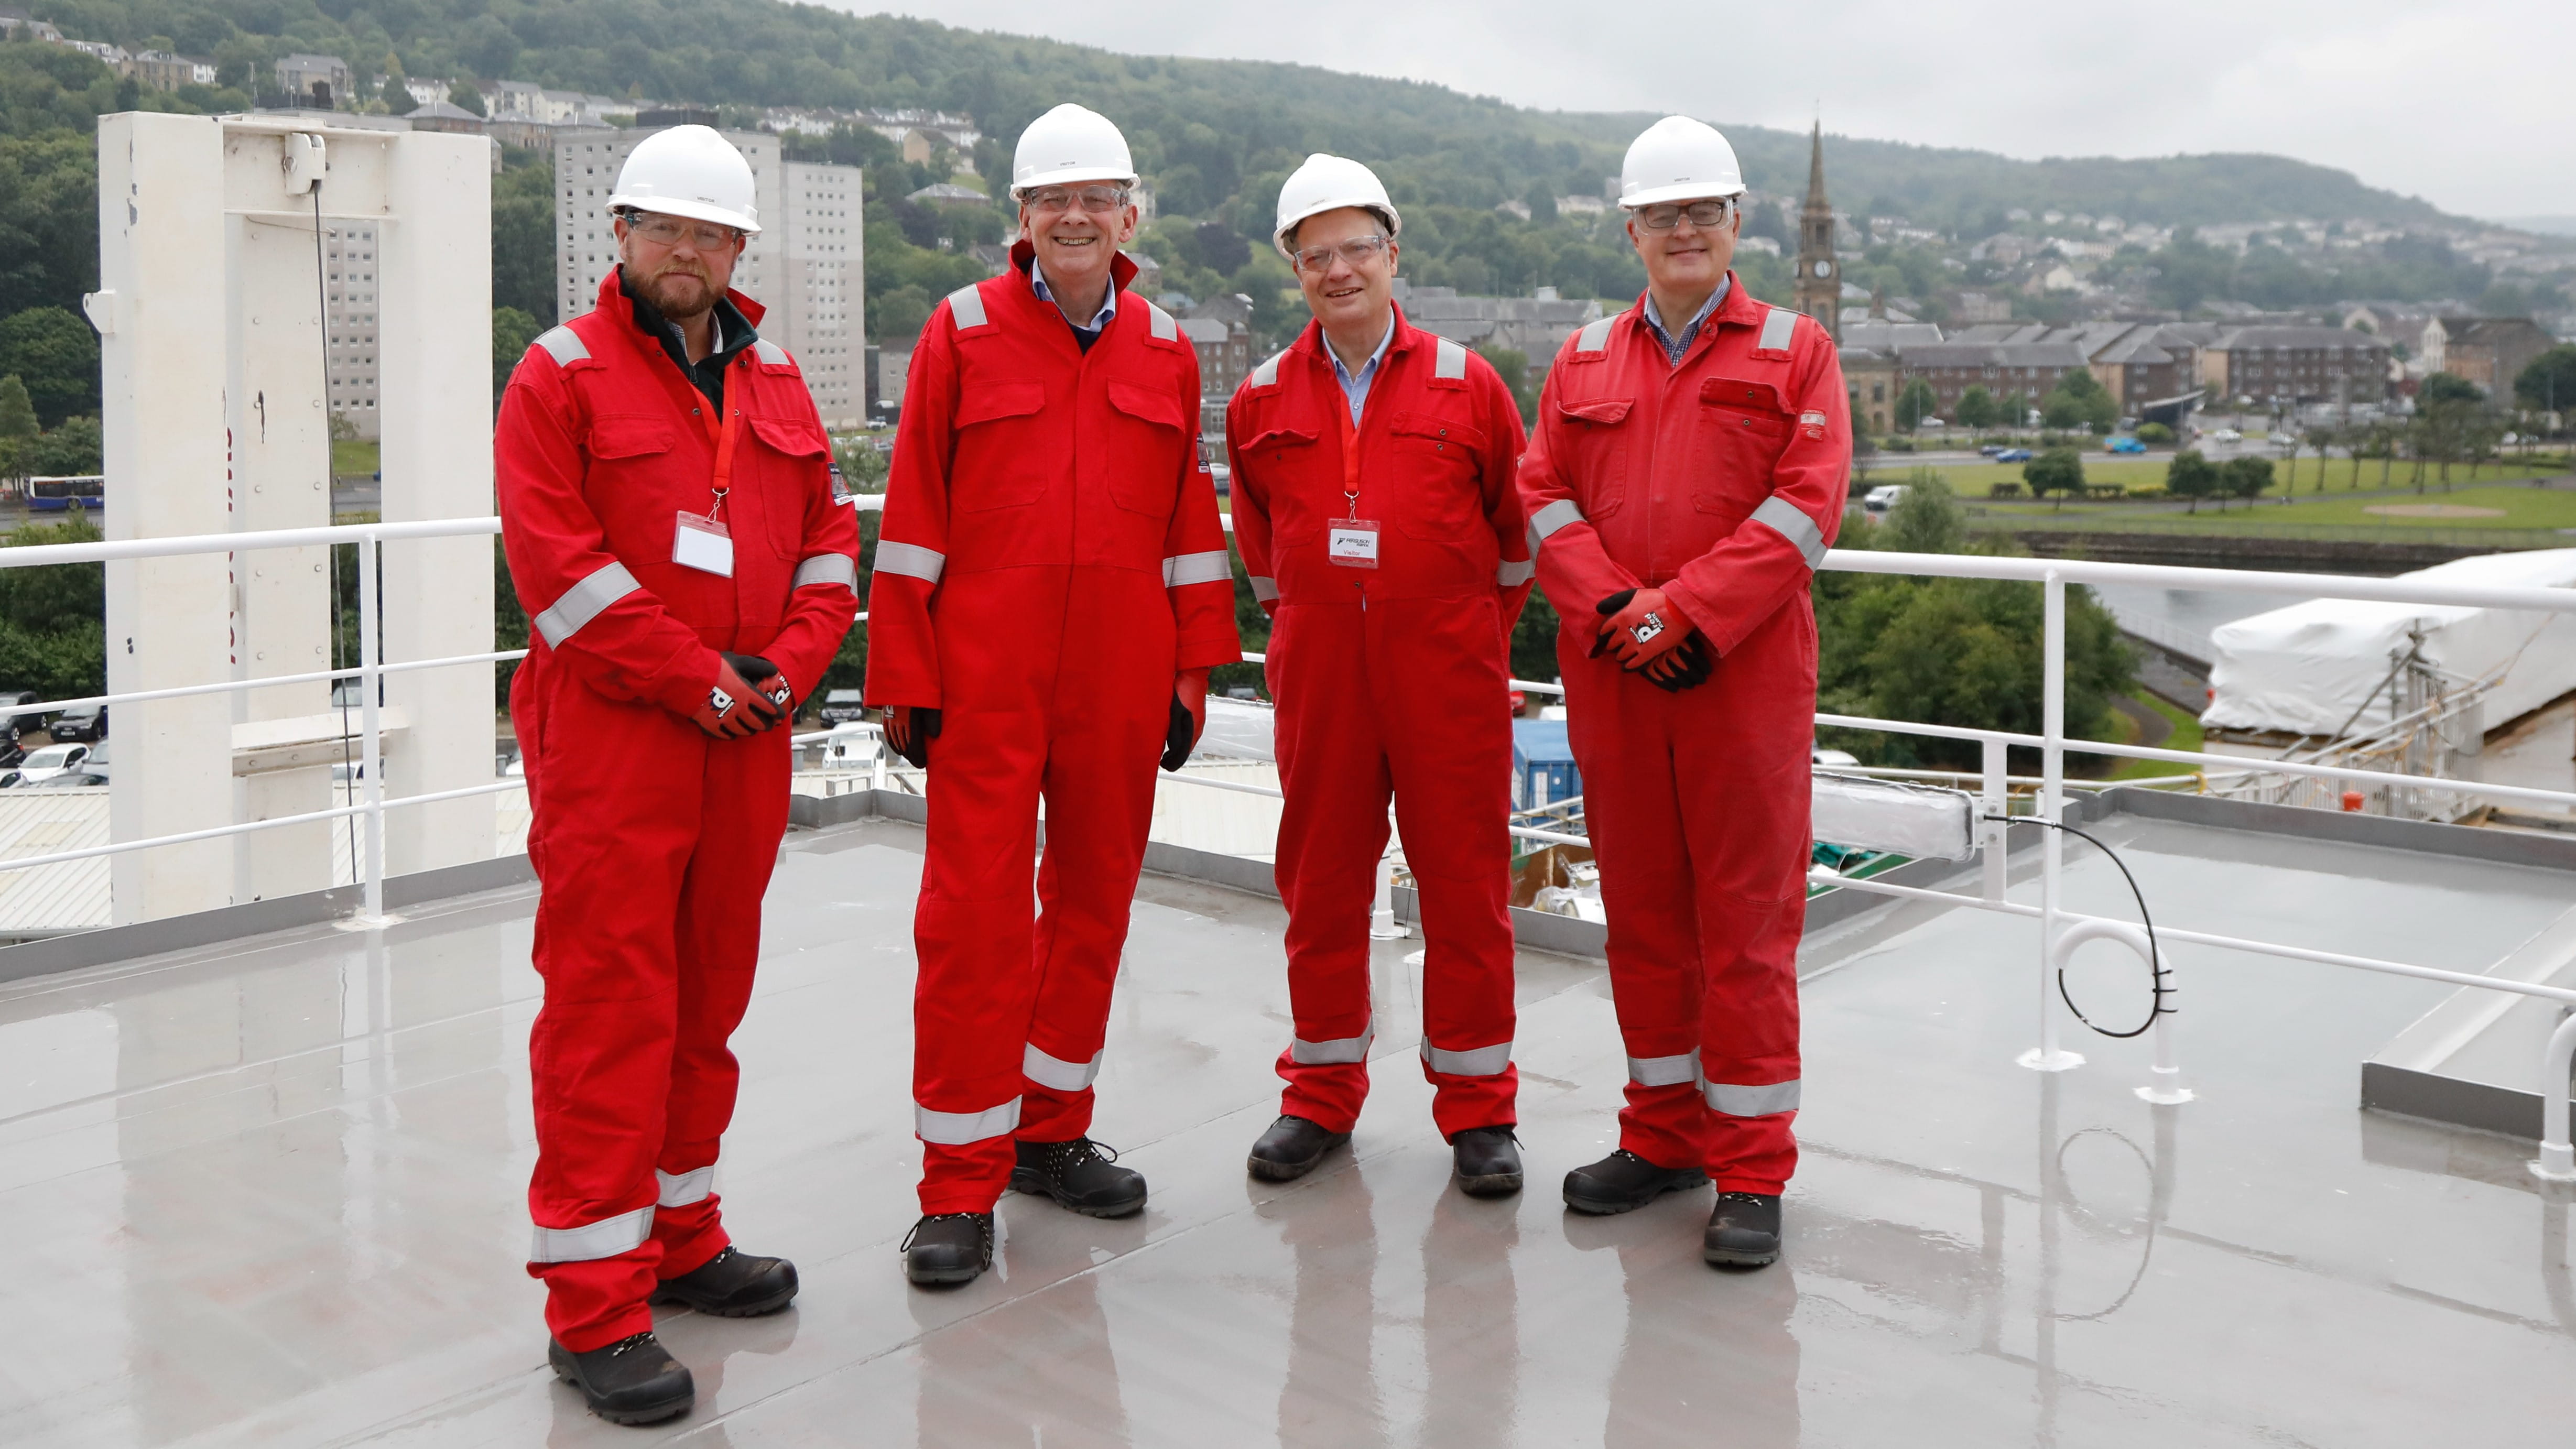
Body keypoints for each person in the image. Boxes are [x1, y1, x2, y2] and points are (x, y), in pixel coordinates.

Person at [495, 124, 861, 1424]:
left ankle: (682, 1237)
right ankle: (594, 1309)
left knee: (707, 997)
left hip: (743, 735)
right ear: (622, 234)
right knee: (610, 1010)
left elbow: (828, 541)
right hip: (617, 738)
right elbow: (560, 574)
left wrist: (788, 670)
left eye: (712, 235)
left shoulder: (776, 380)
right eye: (666, 230)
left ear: (739, 248)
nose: (688, 253)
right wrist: (700, 678)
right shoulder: (560, 376)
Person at [864, 103, 1240, 1286]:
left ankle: (1049, 1133)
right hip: (986, 674)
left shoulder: (1167, 348)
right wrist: (906, 672)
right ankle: (955, 1186)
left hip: (1121, 675)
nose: (1074, 217)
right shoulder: (961, 330)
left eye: (1095, 199)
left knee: (1093, 908)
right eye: (1052, 200)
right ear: (1021, 217)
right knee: (971, 921)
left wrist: (1189, 675)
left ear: (1129, 215)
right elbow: (914, 508)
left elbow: (1188, 524)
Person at [1517, 115, 1850, 1268]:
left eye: (1703, 210)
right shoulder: (1580, 361)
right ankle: (1663, 1137)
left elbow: (1808, 504)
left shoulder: (1796, 351)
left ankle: (1750, 1169)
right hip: (1619, 680)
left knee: (1747, 926)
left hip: (1741, 682)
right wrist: (1621, 611)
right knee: (1646, 919)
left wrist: (1686, 614)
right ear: (1632, 231)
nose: (1685, 230)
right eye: (1663, 214)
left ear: (1735, 221)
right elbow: (1541, 497)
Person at [1225, 154, 1534, 1196]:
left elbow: (1515, 541)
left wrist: (1455, 630)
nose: (1339, 269)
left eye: (1357, 247)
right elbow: (1261, 549)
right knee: (1319, 888)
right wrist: (1324, 625)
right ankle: (1319, 1092)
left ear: (1393, 255)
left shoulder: (1468, 383)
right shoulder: (1260, 398)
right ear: (1294, 270)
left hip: (1448, 675)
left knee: (1466, 891)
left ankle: (1480, 1109)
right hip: (1322, 677)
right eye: (1316, 254)